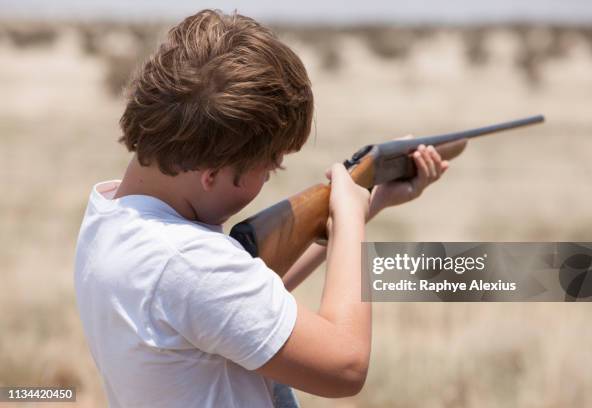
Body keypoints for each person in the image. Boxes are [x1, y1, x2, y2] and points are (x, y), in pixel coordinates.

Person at [74, 9, 449, 408]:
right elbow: (345, 365)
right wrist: (351, 221)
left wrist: (370, 202)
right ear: (212, 173)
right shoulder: (187, 262)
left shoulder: (112, 216)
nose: (269, 178)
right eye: (269, 168)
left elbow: (236, 307)